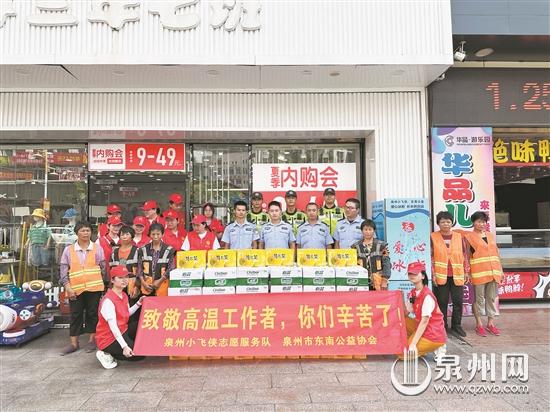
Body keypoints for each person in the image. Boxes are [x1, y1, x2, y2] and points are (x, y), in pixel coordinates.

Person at [59, 221, 107, 355]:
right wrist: (67, 287)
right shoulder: (68, 250)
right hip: (75, 289)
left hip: (94, 288)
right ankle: (74, 343)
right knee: (75, 314)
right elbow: (63, 270)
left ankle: (92, 340)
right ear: (77, 233)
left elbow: (103, 268)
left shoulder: (98, 248)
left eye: (88, 230)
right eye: (82, 230)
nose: (85, 233)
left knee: (93, 313)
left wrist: (101, 283)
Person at [95, 265, 145, 369]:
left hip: (123, 330)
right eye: (120, 277)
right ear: (112, 280)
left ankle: (121, 349)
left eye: (126, 277)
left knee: (142, 326)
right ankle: (106, 353)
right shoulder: (108, 301)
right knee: (139, 355)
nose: (125, 280)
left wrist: (138, 303)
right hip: (109, 339)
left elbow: (127, 313)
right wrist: (125, 347)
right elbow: (113, 327)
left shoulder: (124, 295)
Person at [462, 211, 503, 337]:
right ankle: (479, 324)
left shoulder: (490, 235)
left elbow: (496, 254)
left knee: (491, 298)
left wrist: (501, 270)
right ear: (473, 223)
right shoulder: (469, 237)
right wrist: (467, 272)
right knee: (479, 299)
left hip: (494, 272)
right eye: (479, 221)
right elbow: (466, 256)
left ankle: (490, 323)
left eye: (483, 221)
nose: (481, 224)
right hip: (478, 273)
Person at [431, 211, 470, 337]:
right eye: (443, 222)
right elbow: (431, 257)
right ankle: (442, 326)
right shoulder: (433, 237)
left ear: (452, 222)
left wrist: (466, 272)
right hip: (440, 275)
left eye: (448, 221)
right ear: (438, 223)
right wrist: (433, 274)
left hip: (457, 274)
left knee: (458, 301)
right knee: (442, 302)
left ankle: (456, 326)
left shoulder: (459, 237)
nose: (446, 224)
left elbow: (465, 255)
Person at [403, 262, 447, 358]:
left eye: (415, 273)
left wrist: (413, 344)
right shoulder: (413, 293)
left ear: (423, 276)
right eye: (410, 273)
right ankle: (421, 348)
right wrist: (399, 298)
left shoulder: (427, 296)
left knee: (402, 354)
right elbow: (406, 312)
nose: (412, 275)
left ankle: (437, 346)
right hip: (421, 327)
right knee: (402, 321)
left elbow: (424, 321)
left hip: (432, 333)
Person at [352, 219, 390, 290]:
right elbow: (353, 265)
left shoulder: (382, 245)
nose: (368, 232)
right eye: (365, 229)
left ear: (374, 231)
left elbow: (387, 263)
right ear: (362, 231)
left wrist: (384, 280)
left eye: (370, 229)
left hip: (379, 281)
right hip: (361, 281)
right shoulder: (355, 246)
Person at [138, 223, 174, 297]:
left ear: (162, 234)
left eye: (158, 234)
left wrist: (159, 281)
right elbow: (139, 268)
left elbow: (171, 268)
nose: (155, 236)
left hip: (162, 285)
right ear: (150, 235)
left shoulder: (169, 250)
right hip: (146, 286)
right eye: (153, 234)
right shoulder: (143, 249)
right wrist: (143, 283)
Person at [109, 226, 141, 303]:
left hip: (132, 286)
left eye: (127, 234)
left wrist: (137, 286)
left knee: (132, 308)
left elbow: (140, 270)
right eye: (122, 235)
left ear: (132, 236)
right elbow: (111, 270)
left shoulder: (137, 251)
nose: (124, 236)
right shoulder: (114, 252)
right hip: (117, 286)